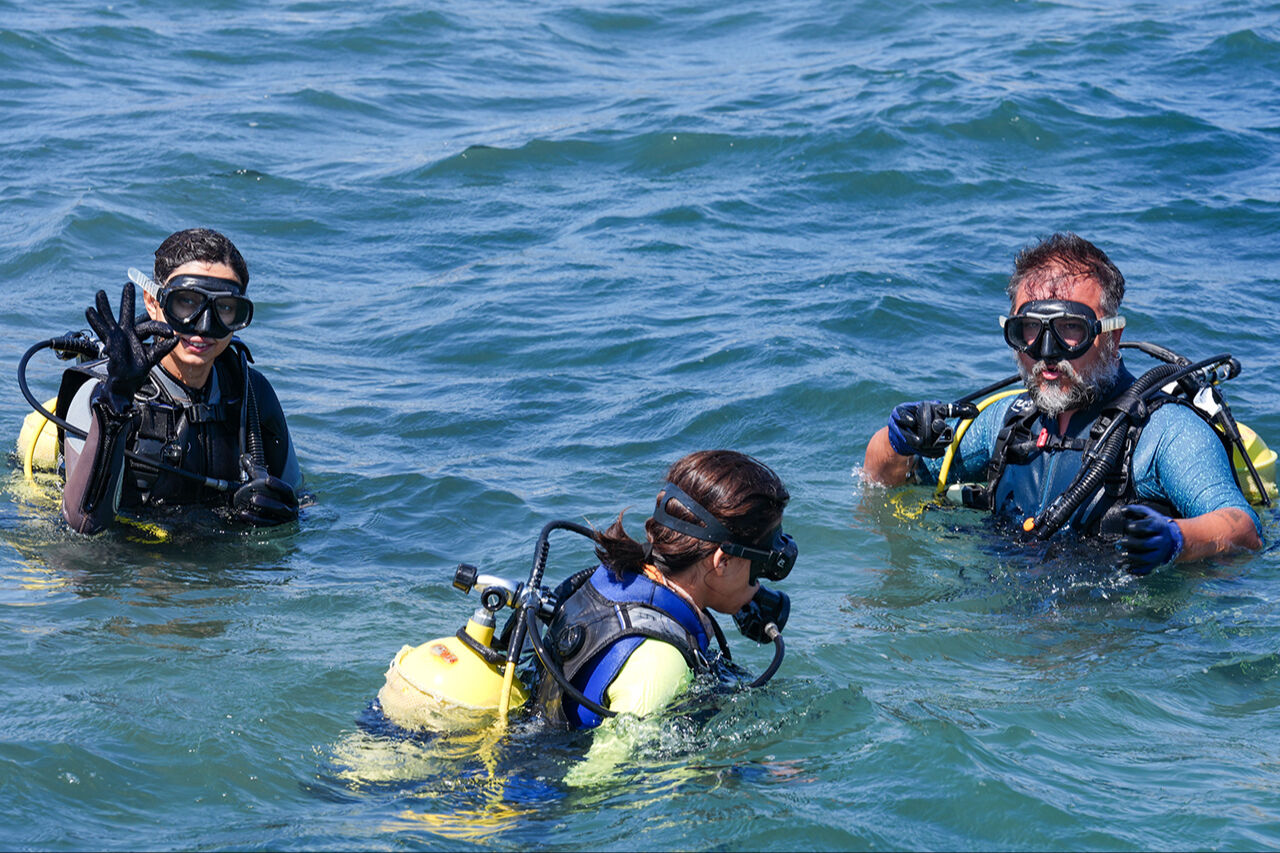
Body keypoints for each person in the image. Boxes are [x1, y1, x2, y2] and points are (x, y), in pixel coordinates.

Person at [863, 232, 1261, 573]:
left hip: (1116, 637)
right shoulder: (1006, 420)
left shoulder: (1164, 433)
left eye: (1071, 329)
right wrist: (898, 440)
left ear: (1112, 337)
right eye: (1030, 330)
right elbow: (884, 480)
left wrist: (1179, 540)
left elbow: (1243, 528)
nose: (1047, 353)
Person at [58, 228, 301, 535]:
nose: (203, 327)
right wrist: (114, 405)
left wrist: (285, 514)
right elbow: (84, 525)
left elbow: (301, 499)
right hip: (131, 568)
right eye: (185, 303)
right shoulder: (100, 392)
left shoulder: (252, 394)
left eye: (225, 308)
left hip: (216, 569)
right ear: (153, 302)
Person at [534, 449, 796, 729]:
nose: (761, 584)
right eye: (762, 567)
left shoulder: (614, 580)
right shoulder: (658, 664)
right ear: (724, 561)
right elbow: (609, 773)